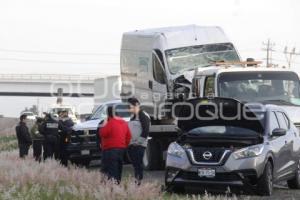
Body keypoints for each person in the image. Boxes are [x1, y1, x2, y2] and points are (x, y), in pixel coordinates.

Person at [99, 106, 131, 183]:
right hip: (121, 149)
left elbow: (102, 133)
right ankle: (118, 184)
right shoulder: (123, 122)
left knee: (109, 170)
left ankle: (110, 186)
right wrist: (124, 145)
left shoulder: (109, 122)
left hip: (109, 149)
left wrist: (104, 123)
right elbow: (129, 136)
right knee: (118, 168)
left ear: (108, 114)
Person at [127, 97, 150, 185]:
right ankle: (137, 181)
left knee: (138, 164)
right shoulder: (132, 116)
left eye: (130, 106)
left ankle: (139, 182)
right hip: (132, 145)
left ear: (136, 105)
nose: (128, 109)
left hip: (139, 145)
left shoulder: (143, 115)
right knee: (135, 165)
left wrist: (138, 142)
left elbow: (146, 130)